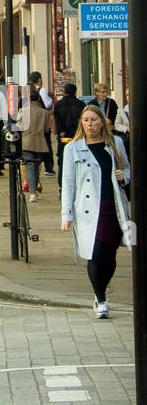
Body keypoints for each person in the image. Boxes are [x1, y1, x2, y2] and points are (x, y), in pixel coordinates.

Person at [61, 104, 131, 318]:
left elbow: (127, 168)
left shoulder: (115, 143)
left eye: (93, 120)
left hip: (112, 205)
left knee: (109, 256)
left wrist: (124, 176)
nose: (89, 124)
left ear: (102, 122)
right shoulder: (72, 148)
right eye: (86, 120)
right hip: (87, 211)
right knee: (95, 253)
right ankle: (100, 298)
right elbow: (68, 183)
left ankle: (100, 293)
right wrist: (66, 215)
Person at [18, 87, 53, 201]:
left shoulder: (22, 111)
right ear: (38, 99)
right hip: (39, 141)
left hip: (26, 141)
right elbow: (47, 129)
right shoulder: (44, 113)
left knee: (29, 165)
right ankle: (34, 186)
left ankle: (33, 191)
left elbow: (19, 126)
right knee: (37, 164)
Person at [53, 82, 85, 189]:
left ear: (64, 92)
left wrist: (61, 132)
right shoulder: (81, 105)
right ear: (75, 92)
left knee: (62, 162)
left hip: (64, 137)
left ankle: (62, 186)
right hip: (77, 136)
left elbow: (57, 122)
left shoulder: (58, 105)